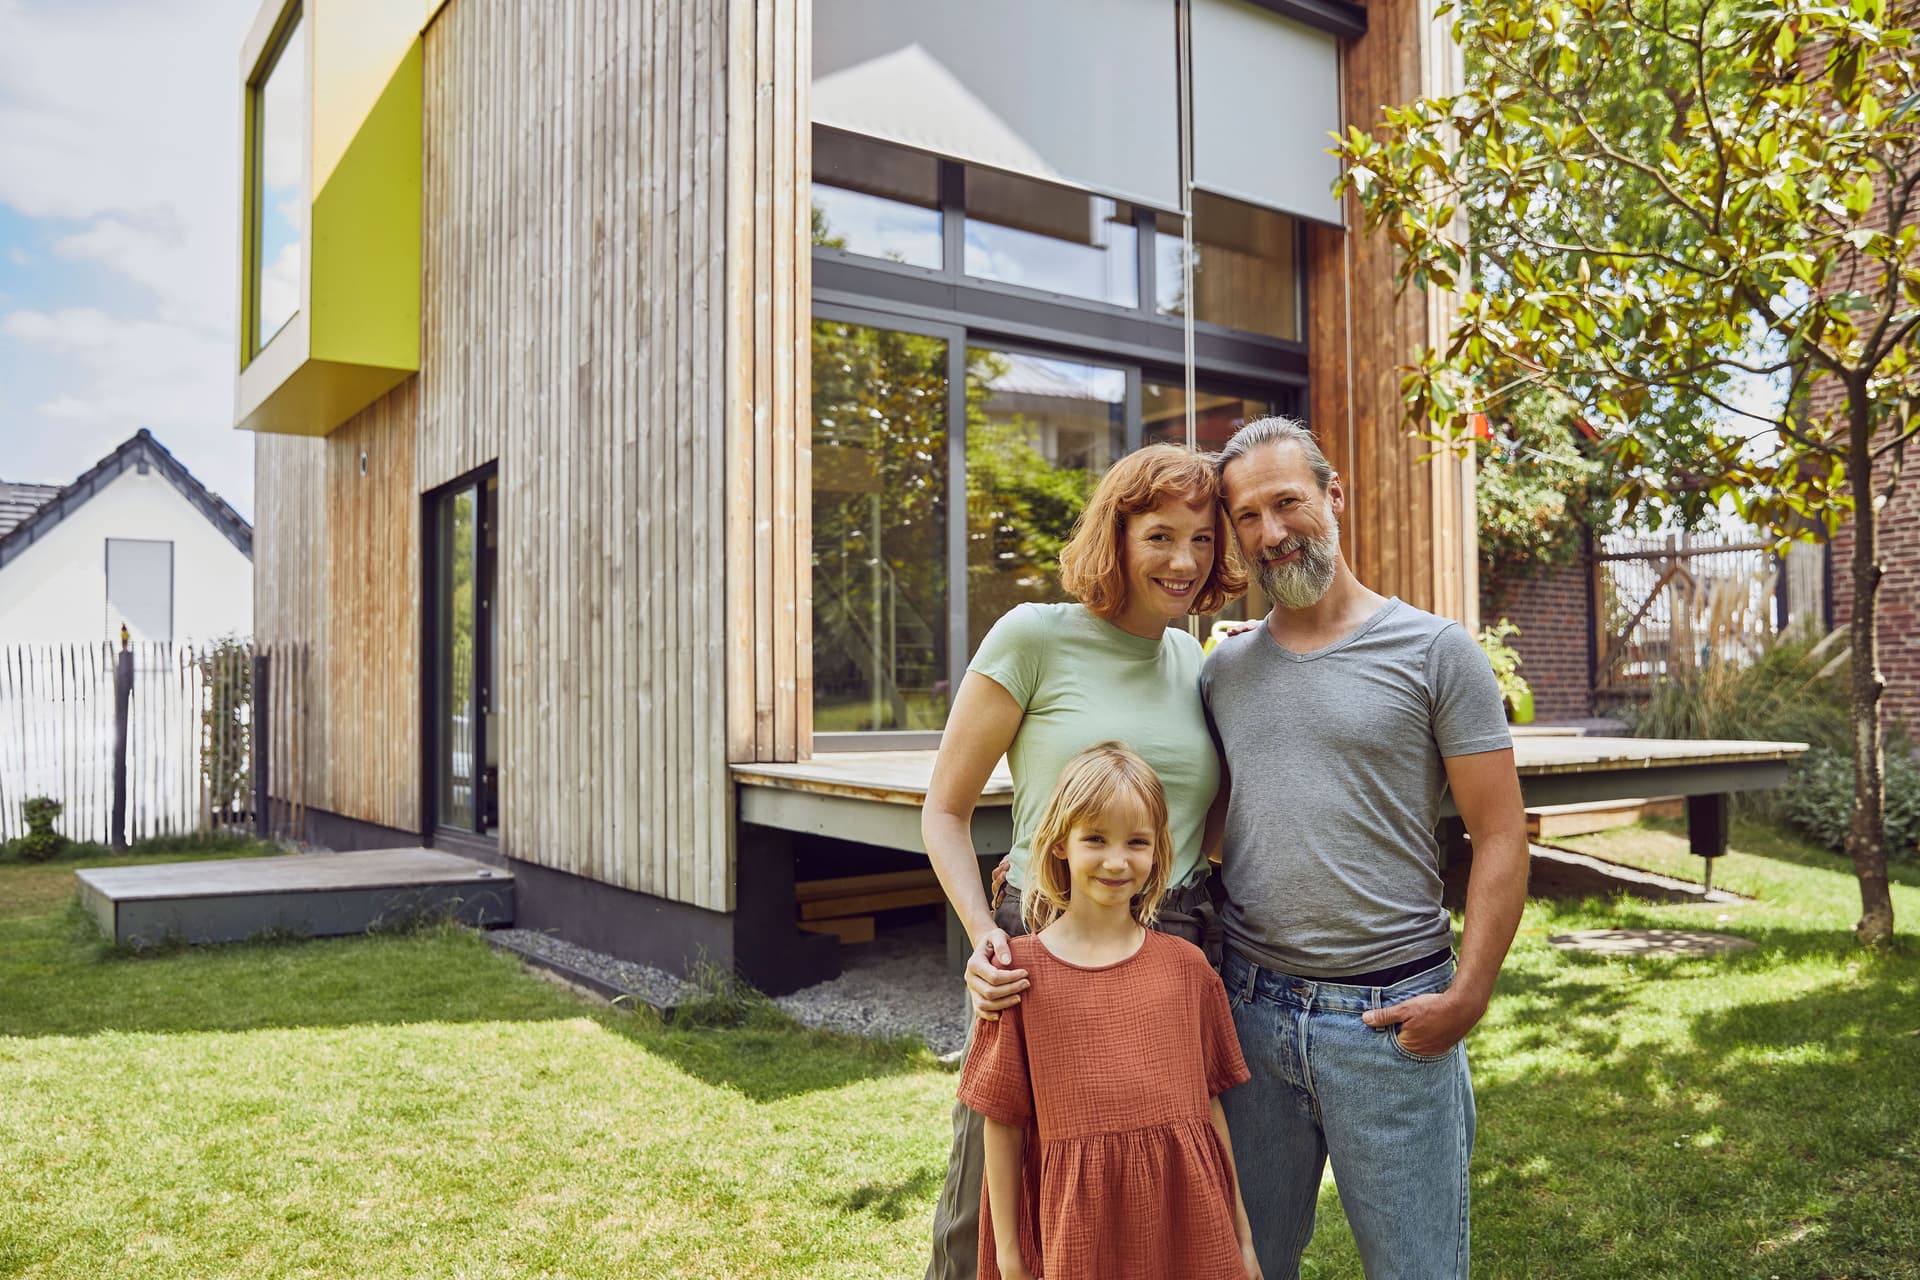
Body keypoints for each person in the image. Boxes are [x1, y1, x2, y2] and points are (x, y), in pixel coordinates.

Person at [1202, 417, 1529, 1279]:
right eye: (1247, 517)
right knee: (1246, 1264)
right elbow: (1203, 819)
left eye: (1288, 502)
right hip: (1250, 1016)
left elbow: (1501, 832)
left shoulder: (1436, 651)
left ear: (1332, 496)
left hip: (1391, 1024)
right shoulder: (1223, 672)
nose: (1271, 533)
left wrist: (1471, 994)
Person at [921, 444, 1246, 1280]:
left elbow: (1198, 813)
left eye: (1203, 540)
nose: (1184, 561)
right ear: (1117, 533)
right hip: (1043, 940)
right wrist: (983, 936)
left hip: (1173, 937)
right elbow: (946, 812)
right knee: (987, 1190)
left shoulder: (1194, 662)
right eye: (1161, 536)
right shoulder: (1032, 637)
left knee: (1158, 1178)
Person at [958, 742, 1262, 1280]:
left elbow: (1211, 1112)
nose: (1117, 860)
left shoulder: (1188, 968)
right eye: (1095, 839)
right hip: (1076, 1235)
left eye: (1137, 842)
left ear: (1157, 853)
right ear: (1058, 845)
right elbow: (1001, 1126)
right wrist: (1010, 1256)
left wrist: (1242, 1240)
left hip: (1187, 1227)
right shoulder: (1018, 974)